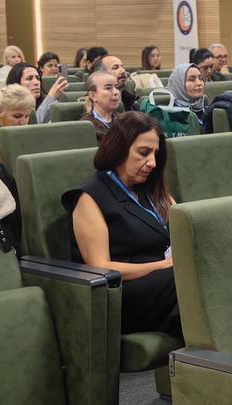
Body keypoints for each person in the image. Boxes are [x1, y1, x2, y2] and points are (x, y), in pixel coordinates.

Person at [64, 112, 181, 338]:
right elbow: (100, 266)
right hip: (123, 294)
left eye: (155, 154)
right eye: (144, 153)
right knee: (182, 278)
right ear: (119, 149)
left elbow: (183, 225)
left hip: (164, 281)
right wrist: (163, 265)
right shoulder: (90, 197)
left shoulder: (151, 188)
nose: (152, 163)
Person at [85, 69, 122, 137]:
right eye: (108, 88)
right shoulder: (85, 126)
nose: (116, 92)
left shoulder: (125, 120)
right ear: (93, 96)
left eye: (116, 87)